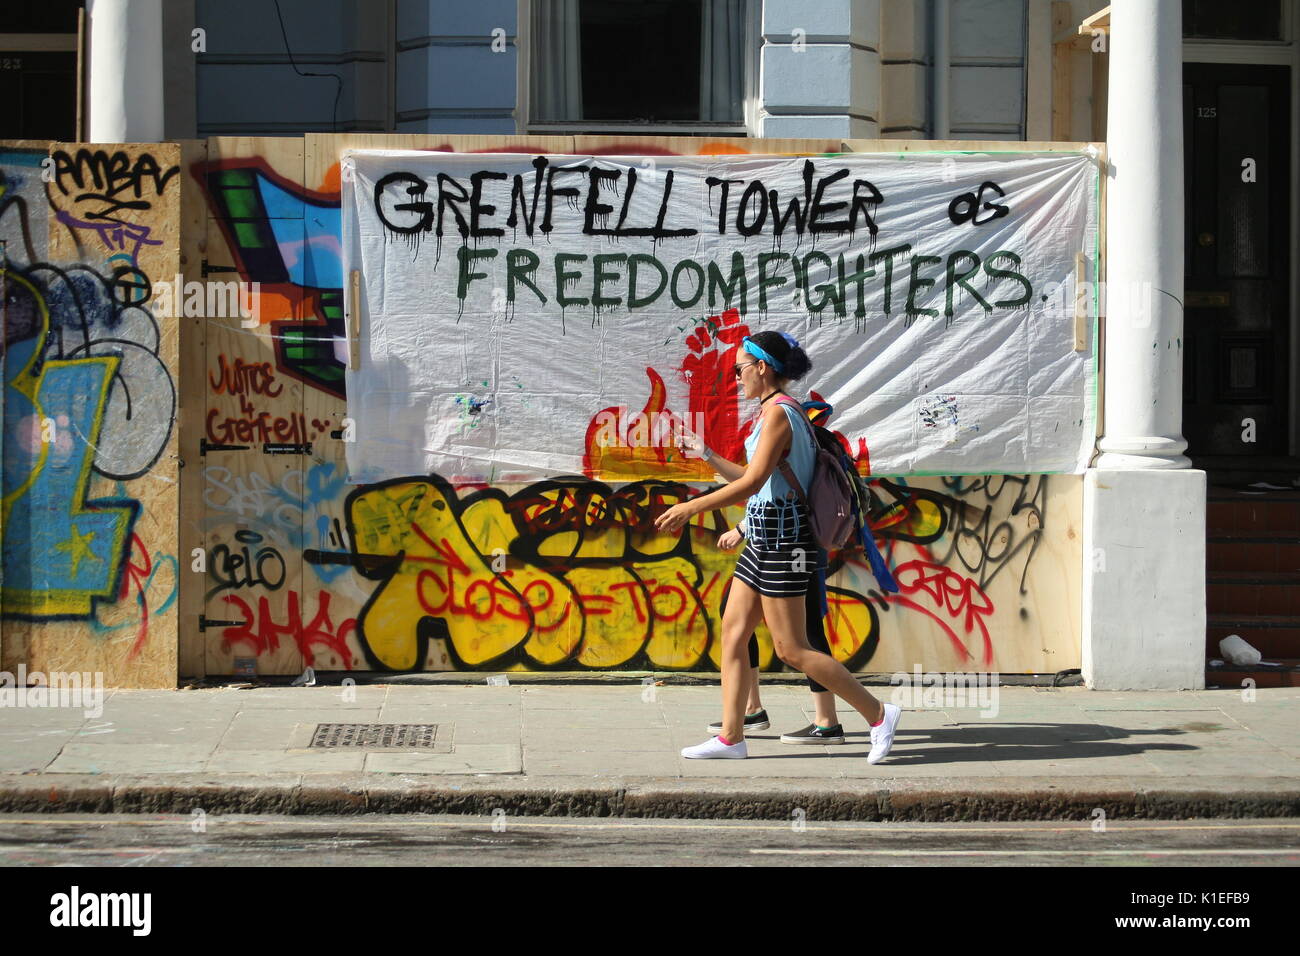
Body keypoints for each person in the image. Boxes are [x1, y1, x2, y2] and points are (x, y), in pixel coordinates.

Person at [654, 330, 901, 761]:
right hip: (765, 538)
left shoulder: (780, 415)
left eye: (739, 370)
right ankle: (732, 738)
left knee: (792, 648)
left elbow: (751, 483)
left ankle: (879, 713)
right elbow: (758, 480)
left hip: (786, 542)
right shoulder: (775, 412)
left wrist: (689, 509)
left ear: (761, 367)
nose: (736, 379)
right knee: (733, 632)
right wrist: (709, 454)